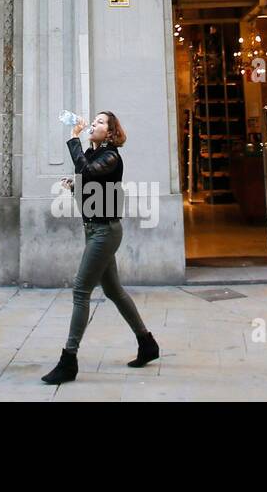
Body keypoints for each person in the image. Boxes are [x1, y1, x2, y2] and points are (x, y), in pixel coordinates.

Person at [42, 111, 159, 384]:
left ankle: (68, 360)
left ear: (110, 132)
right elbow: (90, 189)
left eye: (101, 122)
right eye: (93, 121)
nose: (94, 124)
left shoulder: (110, 156)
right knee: (114, 291)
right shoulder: (94, 156)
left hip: (105, 232)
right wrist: (74, 187)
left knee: (81, 289)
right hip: (94, 230)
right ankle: (147, 343)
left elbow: (87, 171)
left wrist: (73, 139)